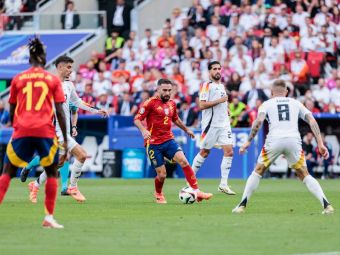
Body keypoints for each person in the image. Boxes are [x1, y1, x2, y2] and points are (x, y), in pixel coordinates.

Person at [232, 80, 334, 215]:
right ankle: (327, 205)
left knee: (258, 171)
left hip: (274, 140)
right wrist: (320, 143)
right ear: (286, 92)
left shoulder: (267, 104)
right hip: (293, 140)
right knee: (304, 174)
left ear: (271, 92)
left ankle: (242, 205)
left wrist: (248, 141)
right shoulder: (296, 103)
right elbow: (312, 120)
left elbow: (259, 121)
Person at [20, 55, 108, 203]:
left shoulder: (69, 85)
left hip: (65, 131)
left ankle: (35, 185)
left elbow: (77, 102)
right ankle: (72, 187)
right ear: (60, 67)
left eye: (71, 68)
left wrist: (96, 110)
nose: (71, 71)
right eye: (68, 67)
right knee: (81, 155)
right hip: (54, 132)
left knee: (58, 164)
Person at [0, 38, 68, 228]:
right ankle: (49, 218)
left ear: (29, 58)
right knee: (52, 172)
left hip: (22, 129)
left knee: (7, 172)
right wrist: (65, 139)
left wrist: (16, 127)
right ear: (43, 57)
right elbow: (60, 112)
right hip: (45, 131)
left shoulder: (18, 79)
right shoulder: (52, 79)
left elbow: (12, 109)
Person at [134, 78, 213, 204]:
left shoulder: (172, 103)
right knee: (162, 175)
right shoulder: (150, 103)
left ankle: (197, 192)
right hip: (153, 143)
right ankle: (158, 193)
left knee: (184, 161)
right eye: (164, 90)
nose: (167, 93)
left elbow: (175, 119)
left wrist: (187, 130)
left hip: (168, 140)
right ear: (157, 89)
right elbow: (137, 119)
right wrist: (144, 130)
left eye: (169, 90)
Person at [191, 61, 235, 195]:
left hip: (224, 124)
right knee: (204, 152)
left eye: (219, 69)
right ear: (209, 71)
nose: (217, 71)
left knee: (229, 152)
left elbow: (221, 101)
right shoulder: (206, 85)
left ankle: (223, 184)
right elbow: (202, 105)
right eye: (214, 69)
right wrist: (220, 102)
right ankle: (190, 179)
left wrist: (225, 108)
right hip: (211, 125)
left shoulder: (221, 86)